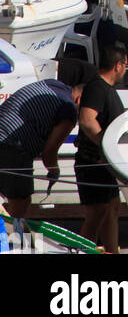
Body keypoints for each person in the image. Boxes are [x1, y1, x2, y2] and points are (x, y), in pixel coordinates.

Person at [0, 77, 83, 219]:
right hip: (12, 146)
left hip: (4, 131)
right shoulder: (69, 110)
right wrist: (54, 171)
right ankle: (12, 237)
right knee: (20, 203)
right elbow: (49, 153)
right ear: (79, 100)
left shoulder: (52, 83)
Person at [74, 43, 128, 254]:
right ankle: (81, 251)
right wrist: (105, 146)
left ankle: (111, 251)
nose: (126, 69)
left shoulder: (105, 88)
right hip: (92, 162)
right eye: (126, 65)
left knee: (112, 207)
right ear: (118, 65)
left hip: (102, 164)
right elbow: (87, 120)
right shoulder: (97, 87)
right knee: (96, 214)